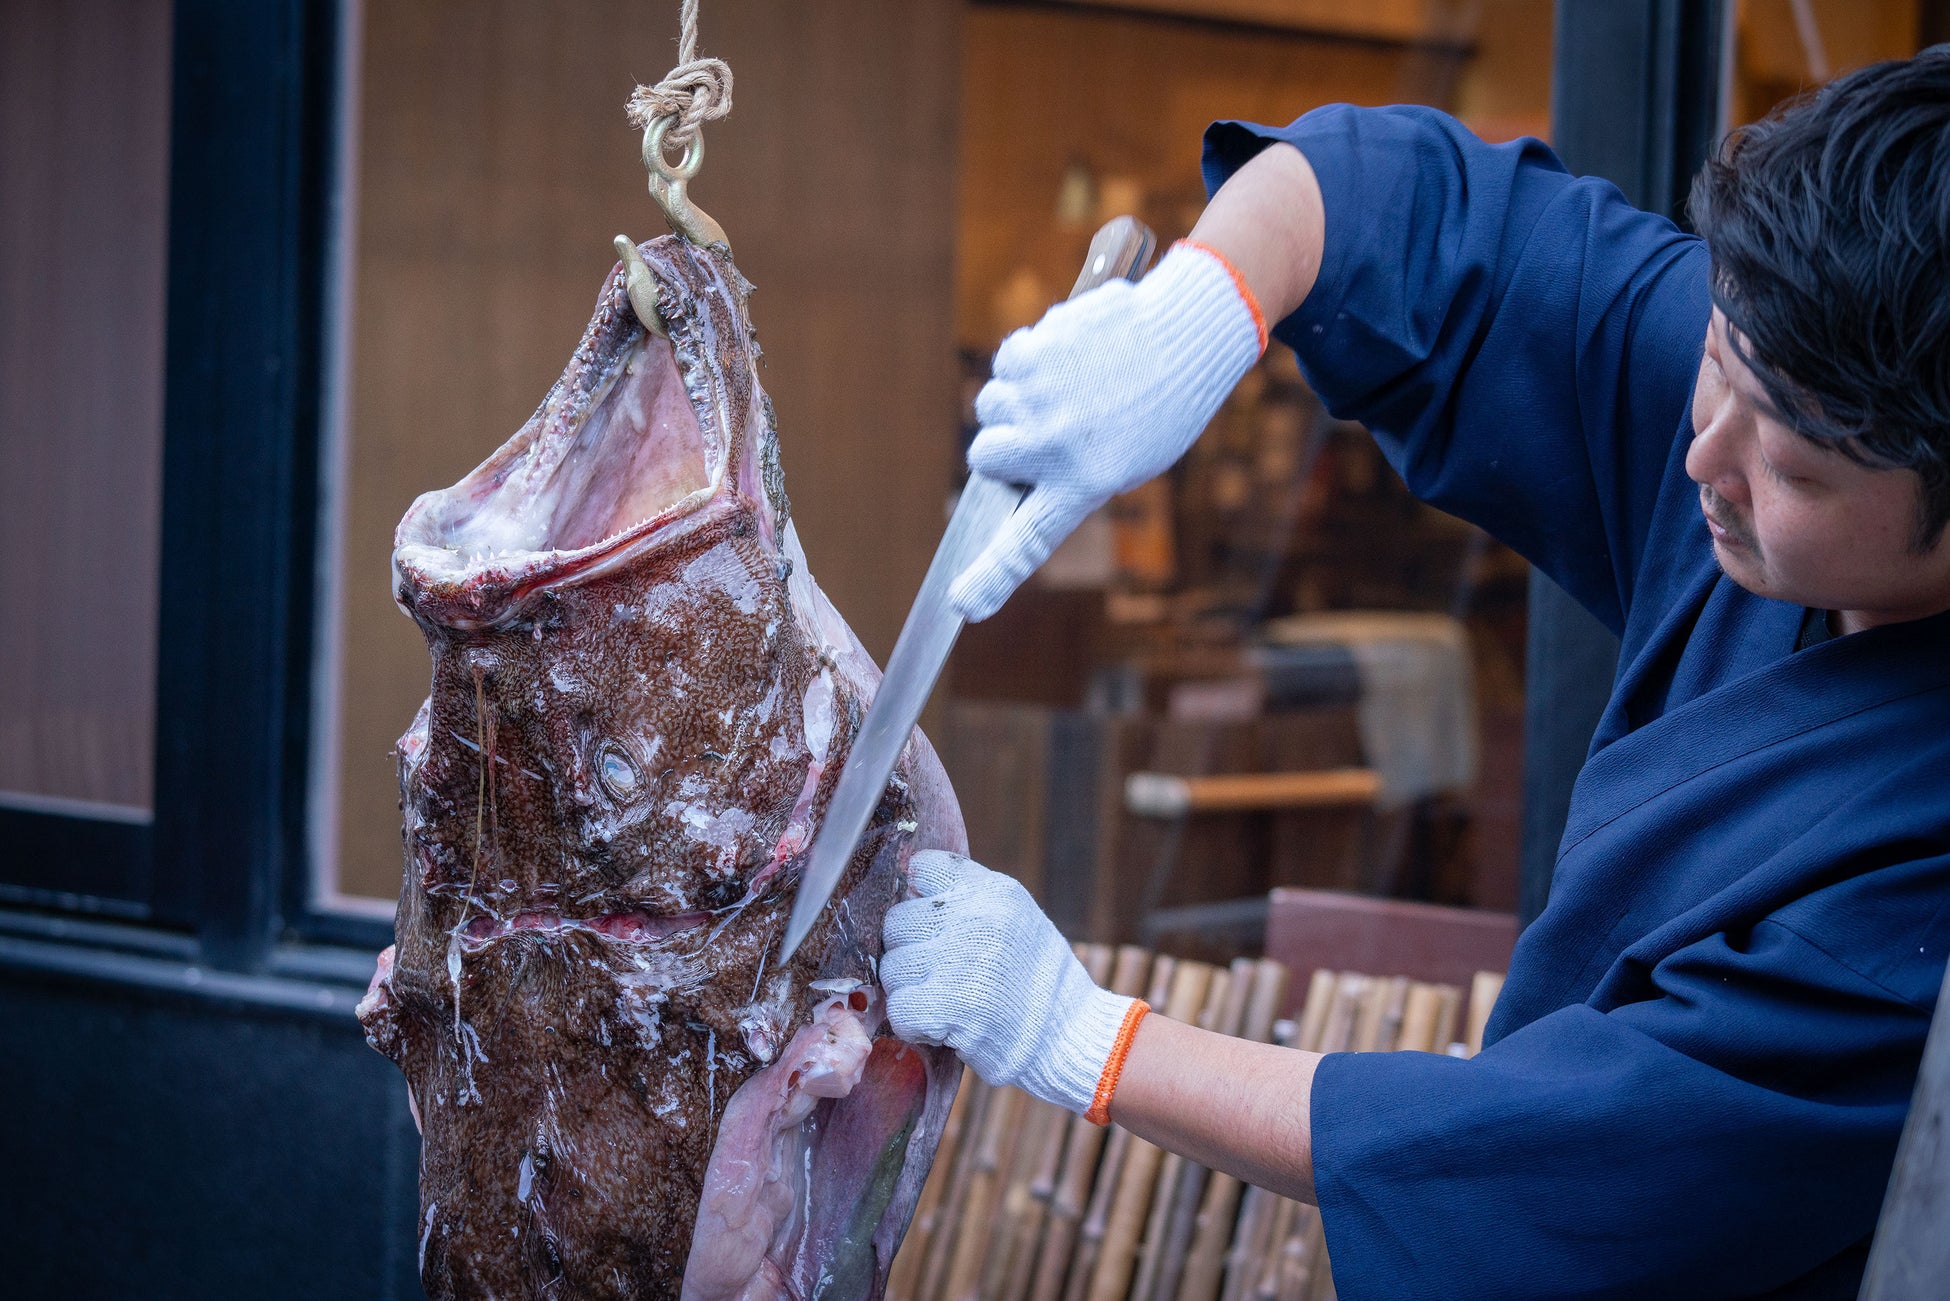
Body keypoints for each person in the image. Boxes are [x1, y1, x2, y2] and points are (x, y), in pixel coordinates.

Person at [877, 49, 1950, 1300]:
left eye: (1800, 474)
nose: (1707, 454)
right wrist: (1204, 314)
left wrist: (1076, 1034)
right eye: (1716, 363)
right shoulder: (1785, 358)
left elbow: (1564, 1158)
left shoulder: (1914, 893)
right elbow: (1405, 204)